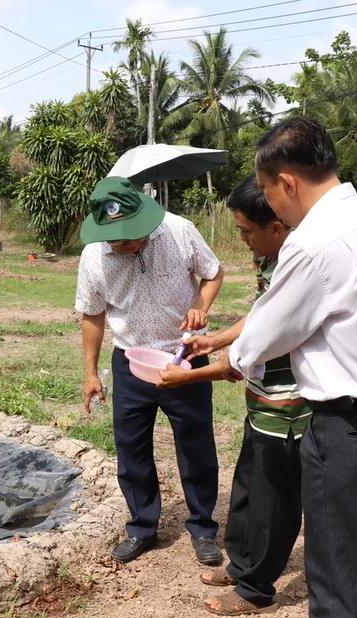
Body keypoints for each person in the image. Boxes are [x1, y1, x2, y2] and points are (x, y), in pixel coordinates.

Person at [213, 117, 357, 618]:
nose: (270, 208)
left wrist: (220, 355)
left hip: (349, 427)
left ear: (287, 182)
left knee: (338, 565)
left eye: (265, 192)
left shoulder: (311, 245)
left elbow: (261, 337)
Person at [157, 175, 310, 618]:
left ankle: (256, 586)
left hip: (289, 407)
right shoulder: (270, 259)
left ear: (276, 226)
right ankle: (242, 562)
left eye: (246, 231)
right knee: (247, 488)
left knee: (274, 500)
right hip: (262, 401)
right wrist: (214, 340)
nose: (241, 239)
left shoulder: (296, 265)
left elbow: (256, 352)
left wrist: (189, 375)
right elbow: (261, 314)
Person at [74, 175, 226, 566]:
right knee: (132, 448)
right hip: (130, 363)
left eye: (131, 235)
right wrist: (91, 373)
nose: (125, 244)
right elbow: (92, 315)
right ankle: (142, 526)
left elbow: (213, 273)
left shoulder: (178, 231)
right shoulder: (94, 256)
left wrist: (201, 306)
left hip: (185, 357)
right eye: (117, 239)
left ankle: (203, 528)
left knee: (195, 446)